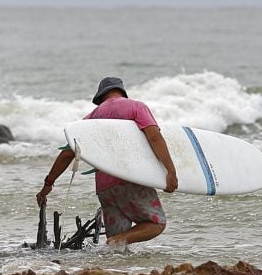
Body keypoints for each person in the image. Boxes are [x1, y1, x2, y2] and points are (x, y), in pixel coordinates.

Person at [36, 76, 178, 246]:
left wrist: (48, 184)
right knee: (156, 223)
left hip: (105, 189)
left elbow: (67, 154)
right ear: (122, 92)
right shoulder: (136, 107)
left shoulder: (90, 118)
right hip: (130, 180)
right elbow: (154, 137)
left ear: (101, 97)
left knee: (117, 249)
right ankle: (116, 240)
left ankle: (116, 266)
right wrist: (171, 171)